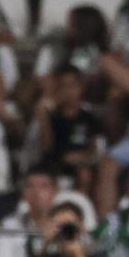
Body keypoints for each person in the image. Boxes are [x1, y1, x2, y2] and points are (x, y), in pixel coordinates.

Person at [34, 65, 105, 194]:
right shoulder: (52, 117)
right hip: (55, 167)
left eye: (72, 86)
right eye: (63, 86)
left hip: (81, 169)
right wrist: (43, 118)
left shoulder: (89, 119)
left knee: (85, 174)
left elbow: (96, 149)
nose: (68, 91)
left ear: (80, 88)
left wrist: (81, 157)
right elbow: (47, 147)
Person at [23, 200, 116, 257]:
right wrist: (46, 246)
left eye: (69, 226)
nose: (65, 231)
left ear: (82, 228)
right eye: (60, 226)